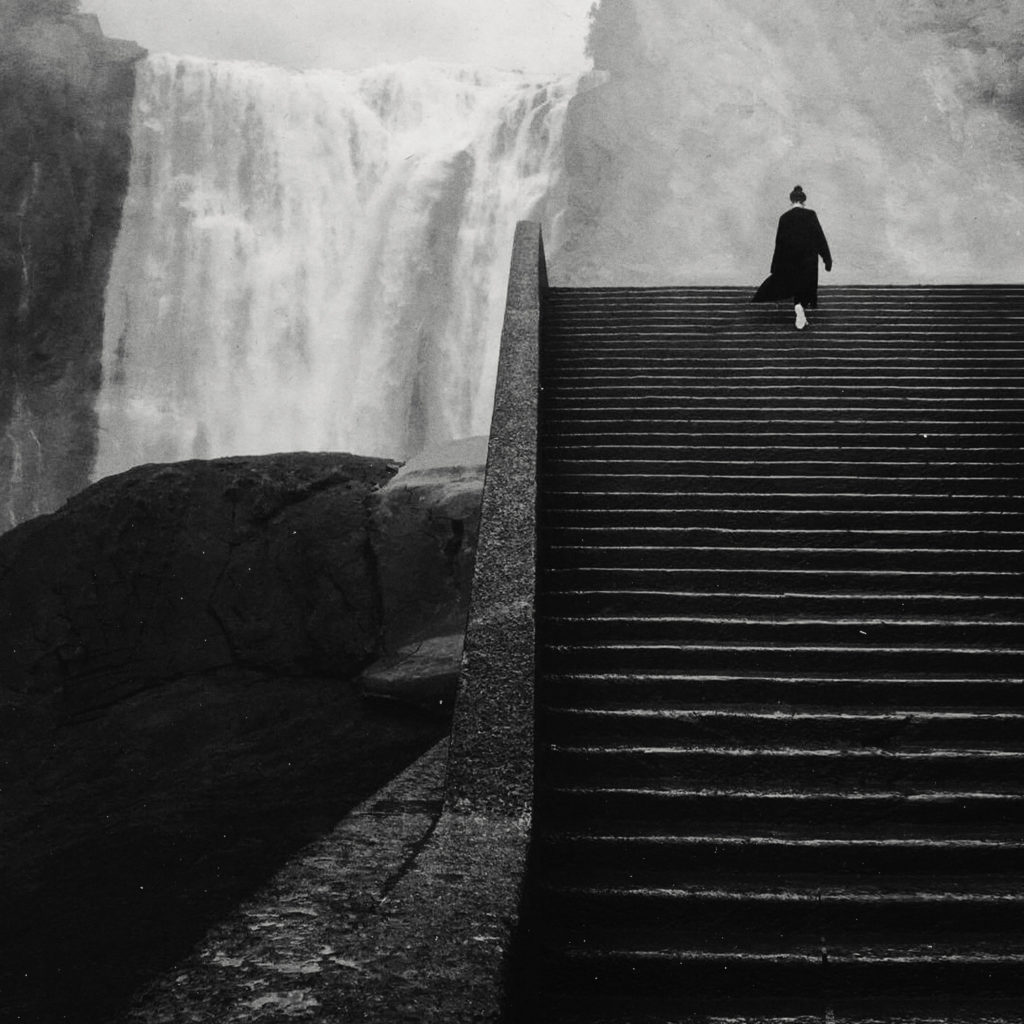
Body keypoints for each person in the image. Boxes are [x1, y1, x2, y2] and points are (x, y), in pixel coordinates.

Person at [752, 185, 832, 330]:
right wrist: (827, 259)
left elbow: (779, 243)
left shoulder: (784, 218)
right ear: (803, 201)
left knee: (795, 284)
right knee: (806, 286)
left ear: (791, 200)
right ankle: (800, 309)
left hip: (790, 260)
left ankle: (798, 309)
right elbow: (819, 238)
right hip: (808, 258)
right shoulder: (810, 215)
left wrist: (775, 265)